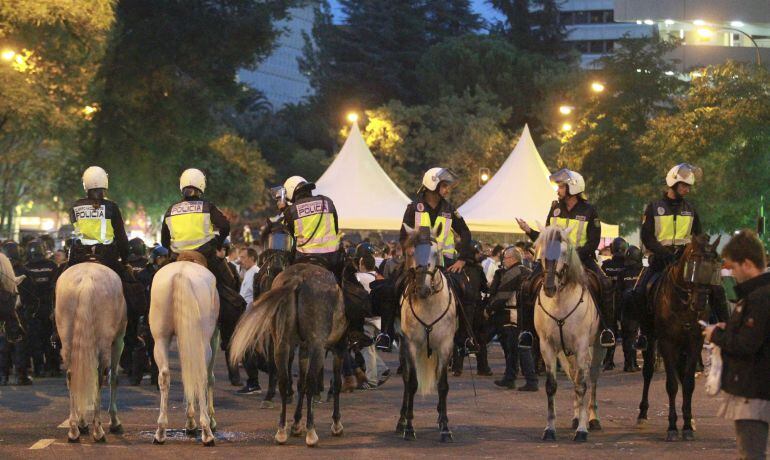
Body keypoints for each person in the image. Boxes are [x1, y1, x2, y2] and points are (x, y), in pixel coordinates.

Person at [160, 168, 246, 384]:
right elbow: (225, 225)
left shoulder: (171, 209)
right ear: (201, 186)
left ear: (182, 186)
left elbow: (163, 240)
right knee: (231, 292)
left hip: (178, 257)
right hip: (205, 256)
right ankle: (231, 350)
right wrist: (216, 241)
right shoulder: (207, 206)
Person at [516, 168, 615, 348]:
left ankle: (608, 330)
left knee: (605, 284)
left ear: (573, 188)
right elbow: (547, 236)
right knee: (526, 286)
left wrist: (575, 255)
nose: (558, 190)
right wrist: (530, 231)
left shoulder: (590, 210)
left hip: (581, 257)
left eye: (562, 187)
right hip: (554, 254)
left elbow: (593, 242)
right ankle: (527, 332)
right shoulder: (555, 208)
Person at [703, 230, 770, 460]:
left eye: (733, 267)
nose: (731, 273)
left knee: (750, 454)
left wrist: (716, 335)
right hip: (753, 386)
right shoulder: (757, 296)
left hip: (753, 388)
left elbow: (746, 343)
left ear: (748, 264)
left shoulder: (759, 298)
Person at [396, 167, 474, 353]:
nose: (447, 190)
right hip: (418, 264)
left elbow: (465, 232)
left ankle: (465, 338)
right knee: (393, 287)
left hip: (445, 264)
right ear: (433, 185)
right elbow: (403, 235)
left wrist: (462, 259)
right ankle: (387, 334)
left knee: (467, 292)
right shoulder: (413, 208)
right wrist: (409, 251)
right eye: (444, 186)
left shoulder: (449, 209)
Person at [634, 163, 703, 350]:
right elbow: (646, 236)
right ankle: (643, 333)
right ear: (673, 184)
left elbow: (698, 235)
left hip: (685, 261)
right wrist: (663, 252)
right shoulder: (654, 207)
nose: (686, 190)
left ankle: (711, 328)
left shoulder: (691, 209)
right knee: (639, 292)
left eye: (688, 186)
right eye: (683, 186)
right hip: (660, 260)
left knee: (712, 289)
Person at [486, 246, 538, 391]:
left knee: (517, 347)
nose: (504, 261)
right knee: (517, 347)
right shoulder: (529, 271)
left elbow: (502, 295)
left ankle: (530, 380)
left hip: (513, 315)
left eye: (506, 258)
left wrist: (489, 309)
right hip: (527, 314)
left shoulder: (512, 273)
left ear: (513, 259)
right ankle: (510, 378)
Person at [67, 166, 129, 277]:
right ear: (105, 183)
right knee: (131, 286)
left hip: (80, 256)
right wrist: (125, 260)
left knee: (57, 283)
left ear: (85, 184)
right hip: (107, 257)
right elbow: (121, 237)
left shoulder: (74, 206)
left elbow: (77, 228)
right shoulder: (112, 207)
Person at [282, 176, 341, 270]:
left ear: (290, 194)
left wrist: (284, 210)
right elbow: (336, 229)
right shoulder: (327, 201)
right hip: (332, 257)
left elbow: (291, 238)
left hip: (303, 258)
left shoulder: (291, 210)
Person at [451, 240, 491, 376]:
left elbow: (484, 287)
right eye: (478, 252)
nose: (480, 254)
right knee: (476, 337)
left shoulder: (458, 268)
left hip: (469, 308)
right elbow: (485, 287)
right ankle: (482, 368)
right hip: (467, 308)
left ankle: (458, 368)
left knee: (464, 336)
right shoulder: (473, 269)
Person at [21, 240, 59, 377]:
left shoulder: (26, 268)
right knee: (52, 339)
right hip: (50, 308)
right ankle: (54, 367)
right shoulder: (53, 266)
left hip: (32, 310)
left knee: (35, 341)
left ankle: (39, 368)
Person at [0, 241, 31, 385]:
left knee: (3, 344)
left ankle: (2, 376)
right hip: (13, 310)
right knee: (19, 342)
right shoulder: (23, 269)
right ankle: (20, 375)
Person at [237, 247, 264, 395]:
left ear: (252, 258)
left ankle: (254, 382)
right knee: (250, 353)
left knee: (249, 352)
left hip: (252, 320)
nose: (241, 260)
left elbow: (257, 298)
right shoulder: (248, 273)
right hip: (246, 318)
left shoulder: (256, 273)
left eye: (243, 257)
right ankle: (254, 382)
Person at [600, 237, 629, 370]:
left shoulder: (606, 265)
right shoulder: (628, 266)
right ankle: (630, 362)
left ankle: (608, 360)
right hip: (625, 303)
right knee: (629, 333)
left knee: (610, 330)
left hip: (608, 303)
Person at [619, 245, 643, 372]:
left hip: (626, 308)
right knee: (640, 336)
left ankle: (629, 364)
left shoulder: (622, 273)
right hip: (641, 308)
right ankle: (636, 362)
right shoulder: (643, 272)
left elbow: (618, 293)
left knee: (628, 337)